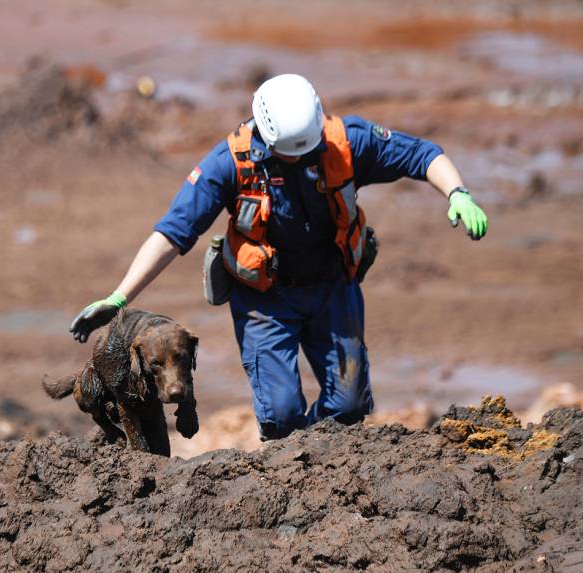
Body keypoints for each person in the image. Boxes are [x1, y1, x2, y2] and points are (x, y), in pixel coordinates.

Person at [70, 73, 487, 441]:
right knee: (282, 416)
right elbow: (172, 234)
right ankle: (295, 460)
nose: (301, 159)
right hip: (265, 300)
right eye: (290, 153)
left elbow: (424, 155)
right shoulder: (228, 163)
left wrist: (458, 193)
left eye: (307, 150)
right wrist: (119, 297)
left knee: (349, 406)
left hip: (332, 289)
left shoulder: (344, 141)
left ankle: (324, 458)